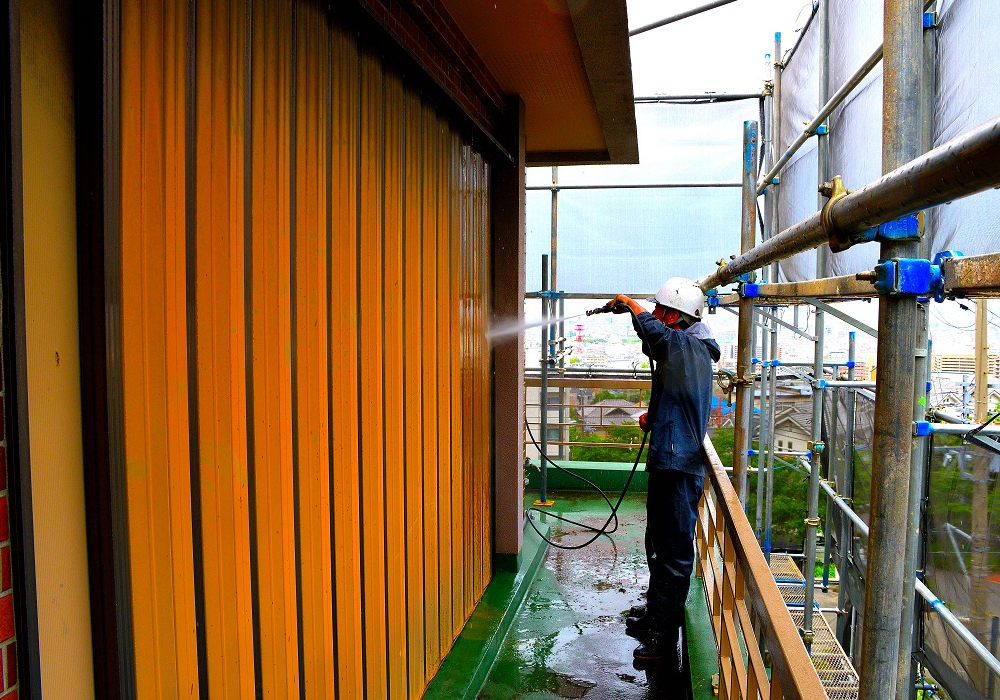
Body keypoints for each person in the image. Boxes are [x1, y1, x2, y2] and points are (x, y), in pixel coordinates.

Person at [607, 278, 720, 669]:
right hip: (668, 458)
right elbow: (671, 391)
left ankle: (662, 637)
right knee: (657, 544)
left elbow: (655, 333)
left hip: (678, 464)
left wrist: (633, 305)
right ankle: (655, 616)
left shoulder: (690, 346)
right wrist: (653, 418)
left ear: (675, 315)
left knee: (673, 555)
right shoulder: (685, 351)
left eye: (659, 309)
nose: (654, 315)